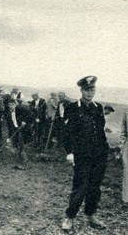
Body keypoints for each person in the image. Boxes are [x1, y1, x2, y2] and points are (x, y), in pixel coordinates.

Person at [62, 76, 109, 231]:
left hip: (99, 155)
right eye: (87, 90)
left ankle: (91, 215)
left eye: (92, 90)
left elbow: (100, 131)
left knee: (95, 187)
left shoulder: (98, 107)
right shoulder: (73, 107)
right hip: (82, 155)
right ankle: (70, 217)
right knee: (80, 187)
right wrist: (70, 152)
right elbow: (67, 133)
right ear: (81, 90)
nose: (90, 93)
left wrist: (105, 151)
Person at [6, 98, 32, 169]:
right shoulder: (8, 113)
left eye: (12, 105)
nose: (11, 106)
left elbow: (30, 114)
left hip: (23, 130)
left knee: (22, 145)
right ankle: (20, 160)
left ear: (15, 104)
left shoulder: (21, 109)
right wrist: (9, 137)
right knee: (17, 145)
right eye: (9, 105)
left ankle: (24, 162)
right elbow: (9, 126)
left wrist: (25, 121)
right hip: (15, 130)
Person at [119, 109, 128, 205]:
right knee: (127, 172)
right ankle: (126, 198)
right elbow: (123, 131)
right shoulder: (126, 111)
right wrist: (122, 145)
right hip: (127, 147)